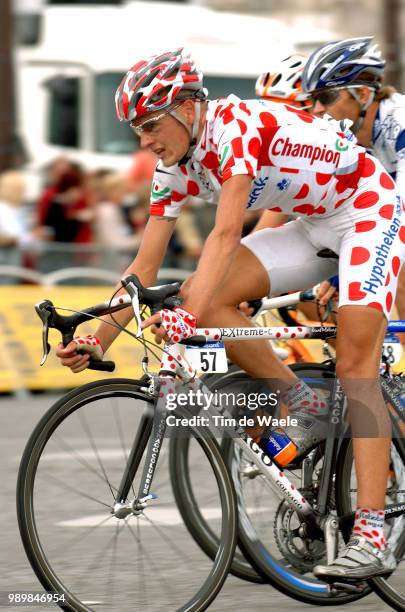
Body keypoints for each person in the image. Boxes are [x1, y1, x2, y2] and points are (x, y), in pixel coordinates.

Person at [56, 48, 403, 580]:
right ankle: (303, 404)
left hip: (367, 210)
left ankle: (374, 534)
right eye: (136, 129)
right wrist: (99, 340)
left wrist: (183, 318)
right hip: (311, 224)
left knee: (356, 362)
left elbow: (224, 234)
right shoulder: (171, 166)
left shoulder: (233, 127)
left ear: (189, 107)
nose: (144, 141)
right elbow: (144, 265)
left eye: (150, 124)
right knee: (209, 297)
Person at [302, 36, 405, 341]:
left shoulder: (398, 120)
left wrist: (344, 272)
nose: (317, 109)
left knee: (399, 275)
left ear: (362, 93)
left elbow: (397, 211)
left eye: (327, 97)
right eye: (313, 99)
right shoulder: (346, 137)